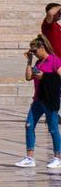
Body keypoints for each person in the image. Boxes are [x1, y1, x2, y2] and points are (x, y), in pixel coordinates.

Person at [20, 36, 61, 168]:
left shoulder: (54, 60)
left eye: (35, 51)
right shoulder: (38, 63)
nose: (34, 53)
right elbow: (27, 77)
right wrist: (29, 62)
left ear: (42, 48)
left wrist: (45, 76)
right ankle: (30, 157)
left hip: (50, 99)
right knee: (29, 125)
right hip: (38, 100)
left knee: (53, 129)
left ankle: (57, 157)